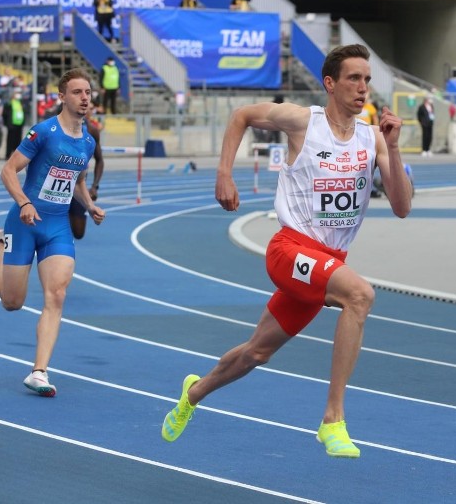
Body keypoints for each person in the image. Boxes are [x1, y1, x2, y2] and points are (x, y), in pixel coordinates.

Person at [160, 44, 413, 458]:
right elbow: (241, 115)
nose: (363, 87)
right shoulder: (303, 122)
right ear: (330, 84)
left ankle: (193, 394)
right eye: (353, 78)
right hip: (289, 249)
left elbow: (402, 207)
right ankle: (333, 419)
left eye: (367, 79)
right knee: (360, 295)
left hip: (327, 264)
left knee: (257, 351)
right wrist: (224, 174)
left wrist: (396, 148)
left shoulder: (374, 139)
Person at [0, 68, 105, 396]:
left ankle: (39, 371)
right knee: (12, 302)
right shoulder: (43, 132)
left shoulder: (87, 141)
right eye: (78, 92)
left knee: (57, 295)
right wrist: (25, 203)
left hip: (57, 226)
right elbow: (8, 170)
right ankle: (1, 245)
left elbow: (76, 178)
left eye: (88, 93)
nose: (85, 98)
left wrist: (89, 204)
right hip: (23, 222)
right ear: (62, 97)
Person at [69, 113, 104, 240]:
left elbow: (99, 160)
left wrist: (94, 186)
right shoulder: (53, 128)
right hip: (54, 191)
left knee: (78, 233)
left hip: (78, 185)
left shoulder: (91, 131)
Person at [3, 88, 28, 158]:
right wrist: (7, 123)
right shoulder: (9, 103)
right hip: (11, 125)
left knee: (18, 140)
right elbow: (5, 114)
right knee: (10, 140)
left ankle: (16, 155)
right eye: (16, 93)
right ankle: (8, 155)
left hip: (19, 125)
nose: (18, 95)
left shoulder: (21, 103)